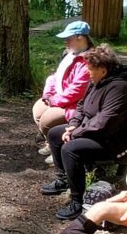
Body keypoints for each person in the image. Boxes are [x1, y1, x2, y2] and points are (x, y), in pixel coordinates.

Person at [43, 44, 127, 220]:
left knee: (70, 149)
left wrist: (75, 133)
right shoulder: (98, 82)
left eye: (91, 69)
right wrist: (73, 125)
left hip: (116, 141)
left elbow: (104, 122)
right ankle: (63, 180)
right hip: (98, 133)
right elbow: (82, 107)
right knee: (54, 134)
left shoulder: (121, 89)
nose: (88, 73)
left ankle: (77, 201)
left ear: (103, 70)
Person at [33, 21, 94, 150]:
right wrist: (48, 95)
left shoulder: (90, 60)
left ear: (81, 38)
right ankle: (51, 142)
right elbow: (56, 77)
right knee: (38, 110)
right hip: (61, 98)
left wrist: (54, 101)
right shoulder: (70, 54)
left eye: (68, 39)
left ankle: (60, 146)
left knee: (46, 121)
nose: (65, 42)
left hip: (76, 105)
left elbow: (79, 90)